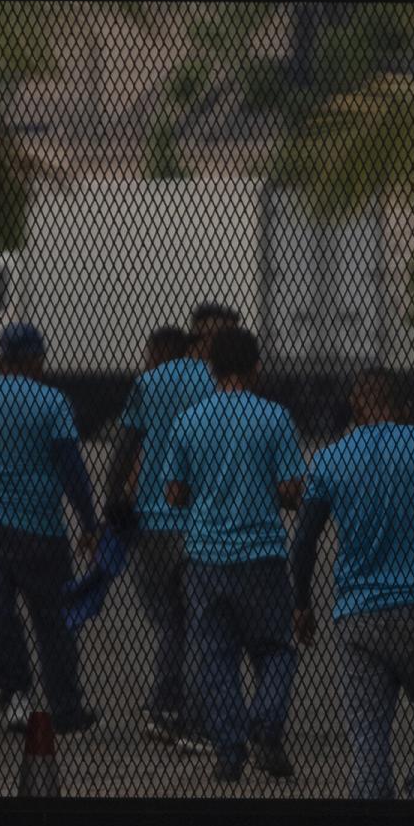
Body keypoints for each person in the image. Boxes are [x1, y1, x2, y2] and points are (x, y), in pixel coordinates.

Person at [290, 368, 414, 826]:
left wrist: (303, 604)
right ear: (403, 408)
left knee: (368, 733)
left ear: (355, 411)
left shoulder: (331, 459)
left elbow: (305, 541)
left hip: (357, 614)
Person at [151, 325, 307, 784]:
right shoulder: (274, 417)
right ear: (256, 368)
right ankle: (265, 725)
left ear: (211, 368)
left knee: (216, 653)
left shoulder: (190, 419)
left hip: (205, 555)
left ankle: (228, 751)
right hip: (261, 552)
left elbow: (175, 492)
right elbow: (290, 489)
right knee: (275, 647)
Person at [108, 308, 240, 748]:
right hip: (201, 523)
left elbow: (126, 446)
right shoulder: (221, 388)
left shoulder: (151, 382)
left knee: (172, 620)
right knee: (203, 622)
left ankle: (165, 707)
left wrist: (114, 499)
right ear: (205, 339)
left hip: (152, 522)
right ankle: (198, 721)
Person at [0, 324, 100, 734]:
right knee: (53, 623)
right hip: (40, 529)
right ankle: (64, 708)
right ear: (34, 360)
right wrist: (88, 521)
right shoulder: (51, 401)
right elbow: (71, 469)